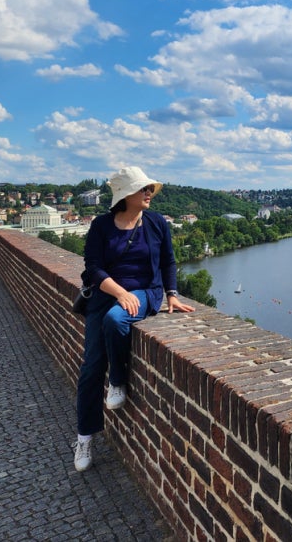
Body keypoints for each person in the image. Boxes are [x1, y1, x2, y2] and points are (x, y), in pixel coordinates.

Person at [73, 166, 194, 472]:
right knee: (90, 368)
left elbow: (168, 260)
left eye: (149, 188)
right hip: (106, 294)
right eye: (143, 189)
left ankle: (117, 381)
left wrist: (172, 294)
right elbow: (92, 268)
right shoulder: (101, 225)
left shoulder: (156, 223)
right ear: (127, 195)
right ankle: (84, 437)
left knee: (117, 320)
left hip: (145, 292)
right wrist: (118, 291)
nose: (149, 193)